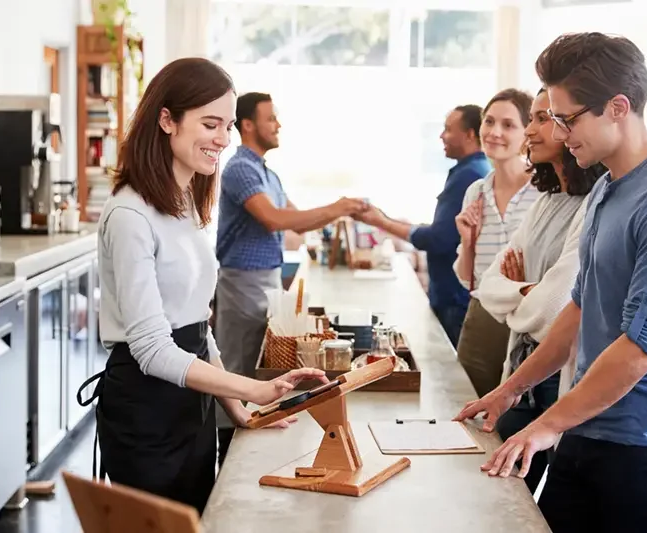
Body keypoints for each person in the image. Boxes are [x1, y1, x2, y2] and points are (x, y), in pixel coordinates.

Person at [455, 32, 647, 533]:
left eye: (568, 119)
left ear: (617, 107)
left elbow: (640, 349)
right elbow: (579, 308)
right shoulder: (608, 188)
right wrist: (512, 390)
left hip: (646, 440)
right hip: (586, 423)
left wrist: (545, 425)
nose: (561, 133)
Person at [80, 58, 327, 515]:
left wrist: (233, 406)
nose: (223, 139)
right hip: (145, 409)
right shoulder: (129, 215)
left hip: (190, 406)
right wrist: (250, 388)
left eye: (228, 125)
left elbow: (196, 322)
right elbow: (153, 348)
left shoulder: (185, 203)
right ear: (167, 119)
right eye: (210, 123)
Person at [214, 92, 367, 466]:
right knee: (236, 367)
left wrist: (339, 214)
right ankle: (225, 460)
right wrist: (339, 207)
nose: (278, 125)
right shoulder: (240, 169)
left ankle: (245, 455)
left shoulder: (267, 172)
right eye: (271, 118)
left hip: (265, 280)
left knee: (257, 365)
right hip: (241, 282)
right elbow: (275, 220)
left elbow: (296, 219)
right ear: (247, 124)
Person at [475, 88, 606, 494]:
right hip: (523, 369)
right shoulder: (546, 201)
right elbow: (488, 287)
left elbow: (554, 307)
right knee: (500, 492)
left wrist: (524, 289)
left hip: (560, 376)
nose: (530, 130)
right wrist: (530, 288)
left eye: (541, 119)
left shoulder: (595, 202)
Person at [353, 104, 491, 346]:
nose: (441, 136)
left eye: (448, 129)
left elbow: (438, 239)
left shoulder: (469, 176)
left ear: (470, 135)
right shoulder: (471, 171)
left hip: (453, 298)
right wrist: (386, 220)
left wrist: (381, 222)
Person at [452, 89, 540, 397]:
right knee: (465, 405)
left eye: (508, 124)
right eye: (489, 122)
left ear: (528, 134)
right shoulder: (476, 191)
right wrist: (467, 242)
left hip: (529, 318)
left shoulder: (545, 191)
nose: (495, 132)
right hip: (482, 318)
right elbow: (467, 278)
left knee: (514, 417)